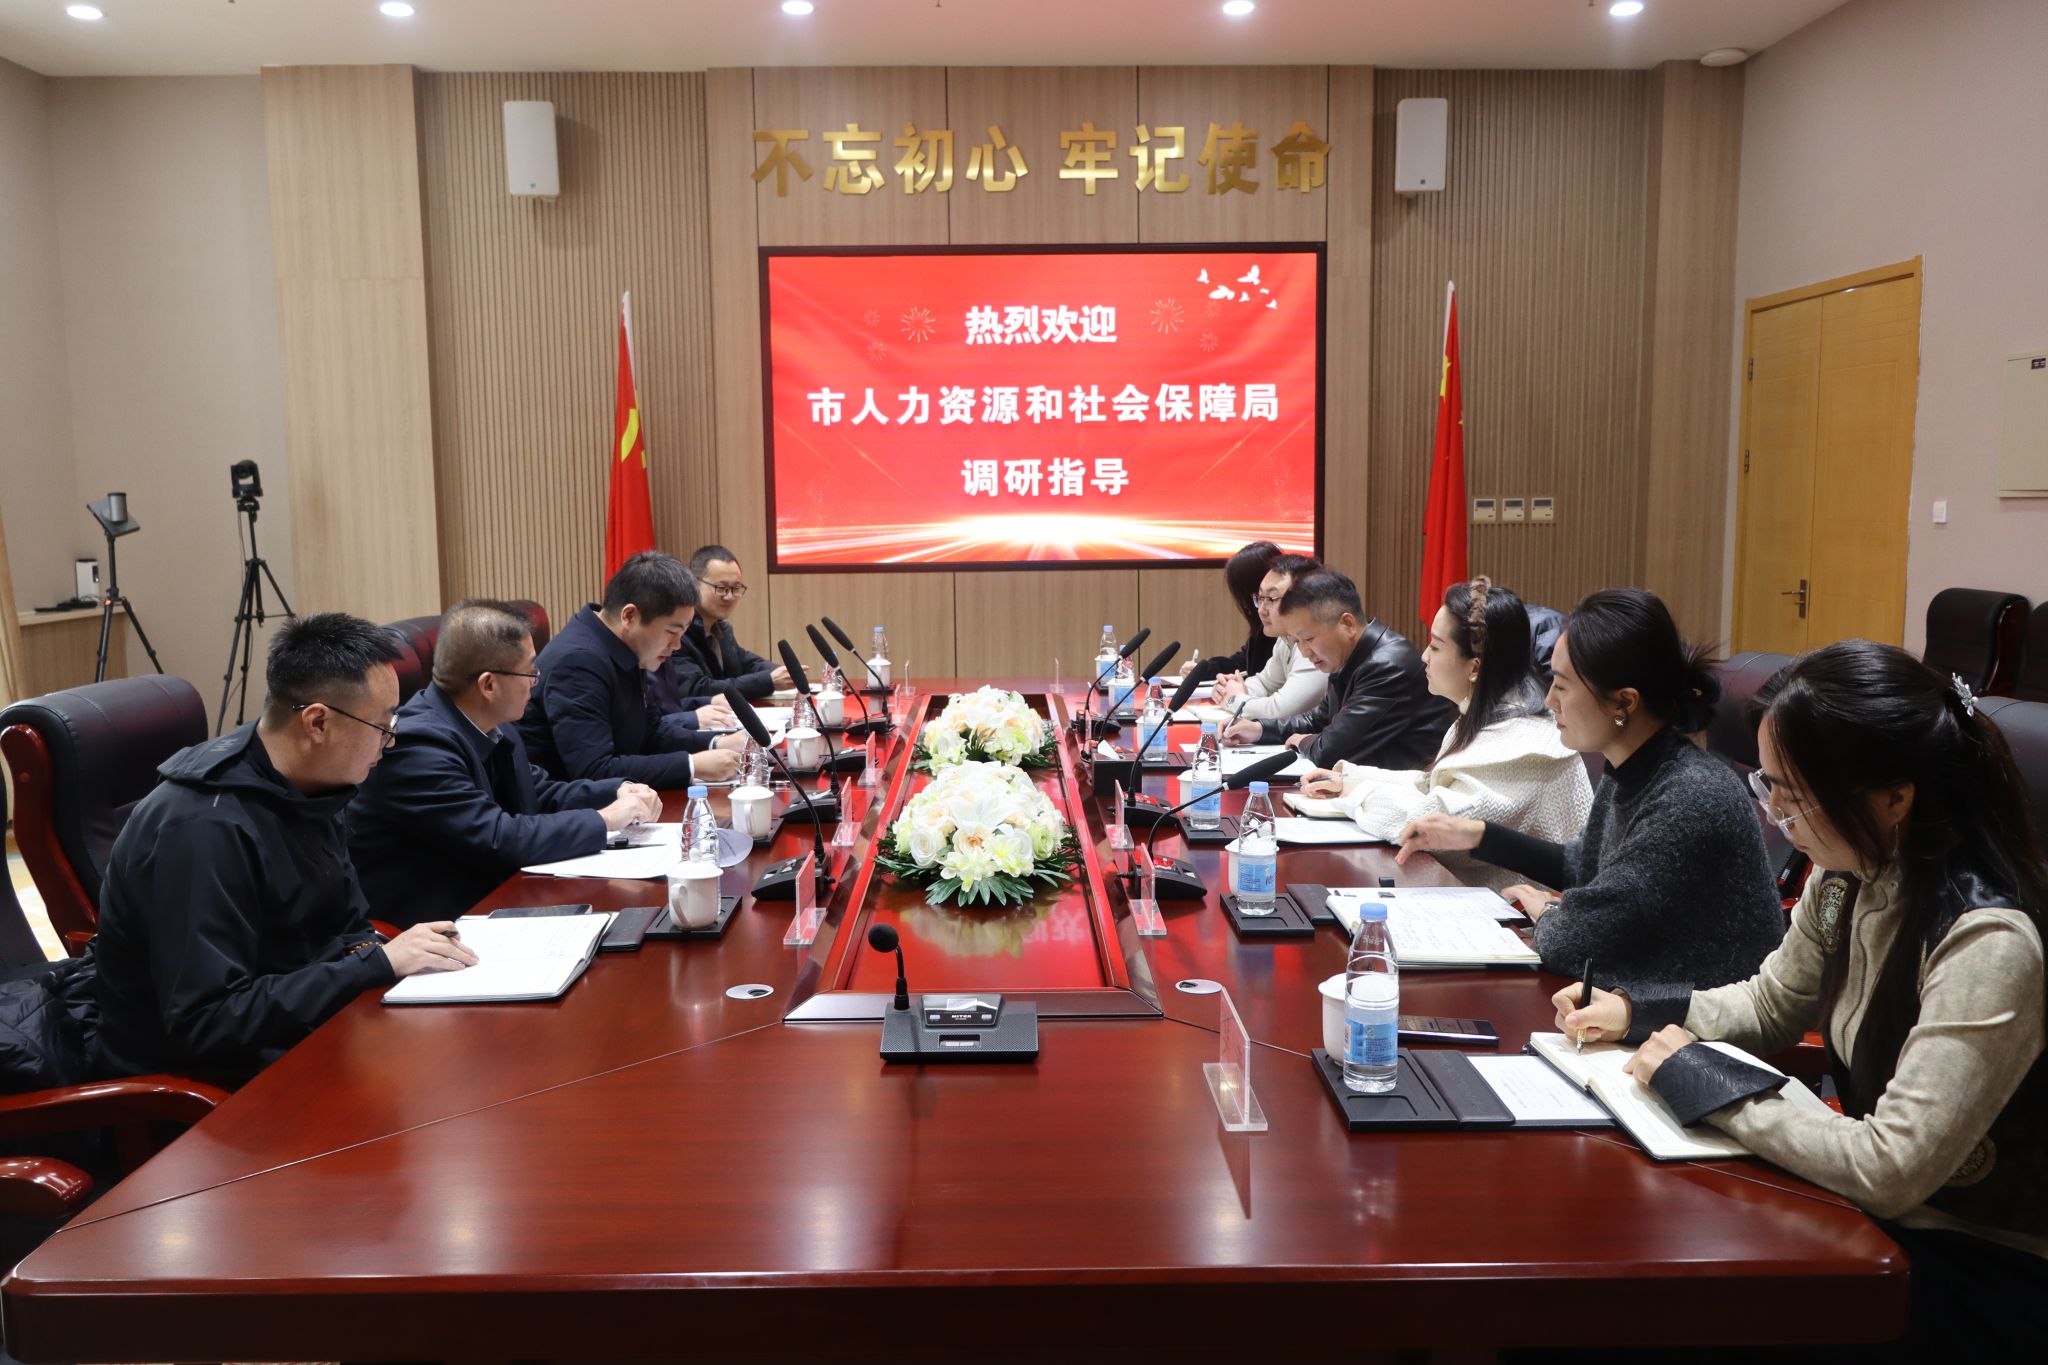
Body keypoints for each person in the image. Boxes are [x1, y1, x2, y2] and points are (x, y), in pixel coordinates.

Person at [1557, 641, 2048, 1355]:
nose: (1775, 812)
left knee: (1661, 1304)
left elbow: (1890, 1167)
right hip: (1875, 1221)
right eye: (1769, 784)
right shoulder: (1849, 872)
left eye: (1794, 793)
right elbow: (1772, 1003)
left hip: (1979, 1265)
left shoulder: (1987, 941)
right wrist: (1636, 1012)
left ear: (1895, 797)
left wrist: (1704, 1085)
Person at [92, 613, 477, 1087]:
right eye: (382, 725)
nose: (391, 740)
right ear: (317, 722)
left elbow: (346, 929)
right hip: (211, 1082)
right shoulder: (203, 827)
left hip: (299, 1034)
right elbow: (207, 1021)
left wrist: (387, 955)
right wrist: (375, 964)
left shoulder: (309, 781)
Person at [1396, 587, 1782, 986]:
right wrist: (1479, 836)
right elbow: (1584, 865)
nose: (1549, 700)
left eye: (1562, 685)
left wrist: (1548, 912)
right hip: (1645, 995)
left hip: (1697, 1012)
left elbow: (1572, 943)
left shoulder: (1688, 798)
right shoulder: (1635, 768)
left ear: (1623, 703)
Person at [348, 601, 665, 929]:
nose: (536, 681)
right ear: (488, 685)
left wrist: (617, 791)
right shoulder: (418, 746)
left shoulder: (494, 724)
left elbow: (538, 792)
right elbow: (497, 837)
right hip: (430, 928)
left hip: (492, 900)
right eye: (530, 671)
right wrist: (605, 819)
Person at [1296, 577, 1592, 890]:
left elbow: (1430, 823)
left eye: (1436, 646)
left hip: (1523, 916)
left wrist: (1355, 795)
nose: (1424, 656)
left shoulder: (1525, 741)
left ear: (1474, 667)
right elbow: (1431, 784)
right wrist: (1349, 780)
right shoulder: (1485, 715)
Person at [520, 552, 747, 788]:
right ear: (629, 616)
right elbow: (594, 770)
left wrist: (717, 743)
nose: (677, 645)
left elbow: (651, 732)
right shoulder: (578, 662)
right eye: (672, 632)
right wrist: (692, 765)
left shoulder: (623, 645)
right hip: (566, 802)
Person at [1220, 569, 1449, 770]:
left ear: (1347, 624)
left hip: (1406, 794)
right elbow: (1319, 720)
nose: (1304, 651)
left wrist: (1303, 741)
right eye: (1298, 641)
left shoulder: (1387, 666)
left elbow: (1330, 751)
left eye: (1309, 639)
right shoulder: (1350, 655)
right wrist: (1258, 729)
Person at [658, 544, 790, 710]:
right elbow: (699, 689)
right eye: (721, 588)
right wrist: (769, 681)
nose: (729, 596)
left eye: (736, 588)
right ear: (694, 584)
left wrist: (783, 672)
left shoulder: (721, 628)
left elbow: (745, 662)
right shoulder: (678, 634)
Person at [1211, 550, 1328, 723]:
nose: (1261, 610)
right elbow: (1265, 683)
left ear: (1303, 599)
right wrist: (1229, 688)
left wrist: (1233, 700)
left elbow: (1280, 710)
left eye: (1272, 598)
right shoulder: (1286, 639)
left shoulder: (1315, 644)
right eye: (1260, 598)